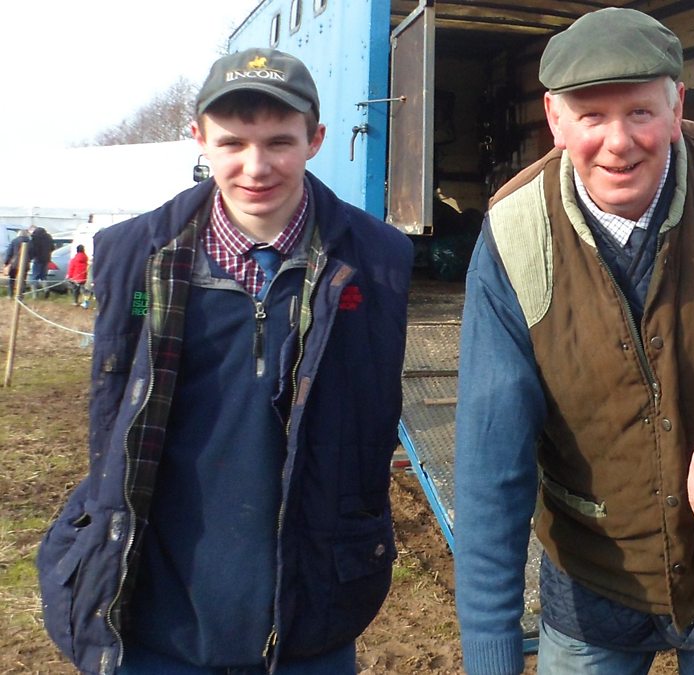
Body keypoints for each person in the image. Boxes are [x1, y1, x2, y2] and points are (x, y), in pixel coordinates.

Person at [452, 8, 694, 673]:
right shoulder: (515, 235)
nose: (618, 142)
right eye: (591, 117)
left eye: (639, 112)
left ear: (677, 104)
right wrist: (490, 652)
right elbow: (492, 462)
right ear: (554, 119)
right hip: (593, 584)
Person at [37, 47, 414, 674]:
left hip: (310, 612)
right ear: (199, 140)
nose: (255, 167)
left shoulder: (378, 261)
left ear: (316, 140)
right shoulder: (133, 256)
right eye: (232, 142)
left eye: (279, 142)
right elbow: (113, 423)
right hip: (152, 617)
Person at [27, 225, 54, 298]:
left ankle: (34, 295)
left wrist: (31, 257)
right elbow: (52, 247)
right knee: (43, 276)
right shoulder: (48, 237)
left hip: (38, 259)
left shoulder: (35, 237)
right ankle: (46, 289)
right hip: (46, 259)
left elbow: (32, 248)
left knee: (34, 277)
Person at [3, 228, 30, 297]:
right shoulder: (30, 242)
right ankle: (21, 295)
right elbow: (32, 253)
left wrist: (6, 262)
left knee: (12, 279)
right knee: (23, 280)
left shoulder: (14, 241)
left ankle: (10, 294)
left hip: (14, 264)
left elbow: (9, 253)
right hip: (25, 264)